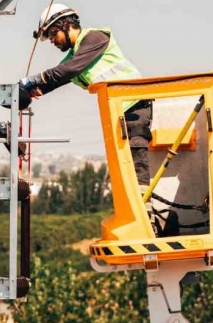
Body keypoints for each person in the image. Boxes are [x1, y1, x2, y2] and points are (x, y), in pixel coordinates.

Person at [20, 4, 153, 187]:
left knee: (135, 152)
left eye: (52, 34)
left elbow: (69, 69)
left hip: (135, 103)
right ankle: (135, 203)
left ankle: (143, 205)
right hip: (116, 110)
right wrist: (28, 92)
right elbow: (58, 78)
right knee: (123, 161)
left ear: (65, 25)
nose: (52, 41)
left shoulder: (95, 37)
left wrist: (33, 79)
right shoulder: (76, 54)